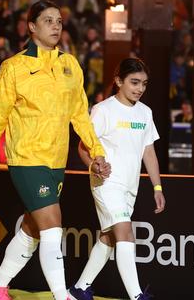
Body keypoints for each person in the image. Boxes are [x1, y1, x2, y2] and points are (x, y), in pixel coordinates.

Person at [0, 0, 109, 300]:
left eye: (59, 20)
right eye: (48, 20)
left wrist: (97, 152)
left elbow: (80, 115)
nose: (56, 26)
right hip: (26, 158)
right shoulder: (14, 67)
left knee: (33, 229)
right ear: (32, 27)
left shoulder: (70, 65)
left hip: (56, 160)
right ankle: (62, 296)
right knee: (52, 223)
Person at [69, 57, 165, 300]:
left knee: (109, 237)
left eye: (144, 83)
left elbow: (149, 152)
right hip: (106, 183)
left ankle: (79, 288)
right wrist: (93, 165)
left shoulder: (145, 112)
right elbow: (82, 146)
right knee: (125, 232)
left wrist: (157, 186)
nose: (140, 89)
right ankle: (136, 296)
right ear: (118, 81)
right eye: (134, 82)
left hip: (129, 187)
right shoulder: (102, 110)